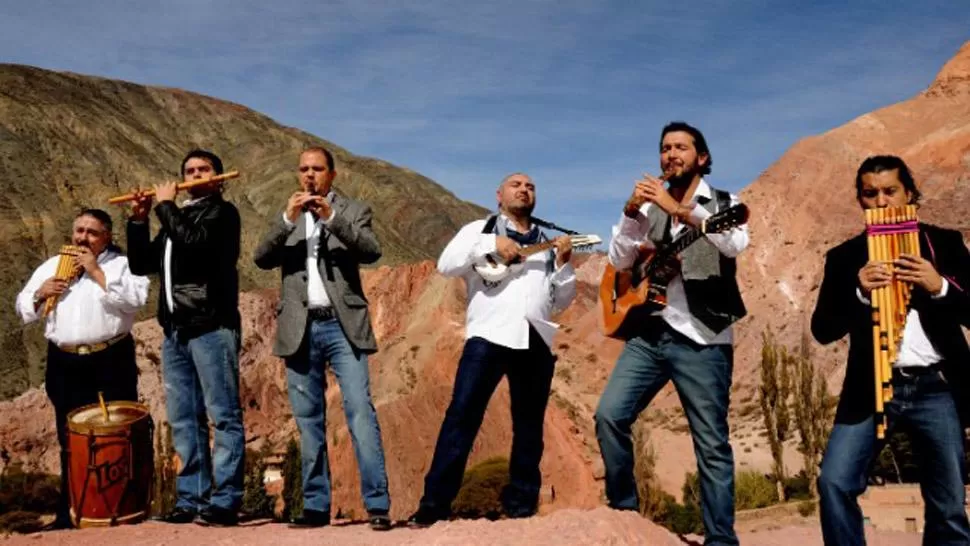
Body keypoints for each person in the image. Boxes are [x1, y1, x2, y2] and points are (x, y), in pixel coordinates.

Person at [595, 122, 748, 545]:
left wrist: (682, 211)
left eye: (681, 147)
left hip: (703, 337)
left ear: (701, 157)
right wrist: (630, 214)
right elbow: (621, 262)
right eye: (665, 148)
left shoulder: (724, 203)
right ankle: (625, 512)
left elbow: (735, 242)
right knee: (610, 415)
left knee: (711, 443)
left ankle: (720, 539)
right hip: (650, 332)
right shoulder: (647, 208)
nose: (670, 154)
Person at [812, 155, 970, 546]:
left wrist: (941, 287)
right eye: (870, 194)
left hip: (938, 386)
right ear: (860, 200)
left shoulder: (946, 244)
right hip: (872, 388)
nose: (881, 202)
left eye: (890, 191)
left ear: (910, 193)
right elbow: (822, 330)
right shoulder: (844, 258)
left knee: (948, 504)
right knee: (834, 482)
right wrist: (859, 293)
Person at [407, 172, 577, 527]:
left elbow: (560, 301)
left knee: (529, 428)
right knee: (462, 419)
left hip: (536, 338)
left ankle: (521, 508)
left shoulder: (546, 243)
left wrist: (563, 266)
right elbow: (446, 264)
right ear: (499, 195)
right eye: (516, 185)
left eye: (530, 186)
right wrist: (490, 245)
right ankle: (434, 506)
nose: (524, 189)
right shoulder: (477, 229)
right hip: (487, 337)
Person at [253, 146, 391, 531]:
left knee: (360, 412)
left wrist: (332, 220)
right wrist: (286, 219)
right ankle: (315, 506)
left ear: (332, 174)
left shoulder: (353, 210)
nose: (309, 175)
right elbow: (261, 258)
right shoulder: (288, 216)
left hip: (342, 326)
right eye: (303, 169)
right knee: (308, 421)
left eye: (317, 169)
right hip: (300, 327)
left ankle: (377, 505)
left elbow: (371, 250)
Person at [127, 149, 245, 526]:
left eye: (202, 170)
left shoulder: (222, 215)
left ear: (217, 176)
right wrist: (140, 219)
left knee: (223, 416)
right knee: (183, 419)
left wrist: (165, 206)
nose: (194, 175)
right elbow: (141, 264)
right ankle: (191, 499)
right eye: (188, 171)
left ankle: (225, 501)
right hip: (175, 331)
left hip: (211, 326)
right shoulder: (176, 220)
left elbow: (196, 246)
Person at [16, 209, 149, 529]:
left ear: (107, 238)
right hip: (64, 362)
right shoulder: (53, 266)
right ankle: (71, 511)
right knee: (69, 438)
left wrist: (96, 272)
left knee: (121, 433)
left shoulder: (123, 265)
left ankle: (127, 507)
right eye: (79, 230)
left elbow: (136, 299)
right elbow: (22, 308)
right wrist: (40, 294)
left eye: (92, 232)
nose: (82, 238)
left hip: (110, 358)